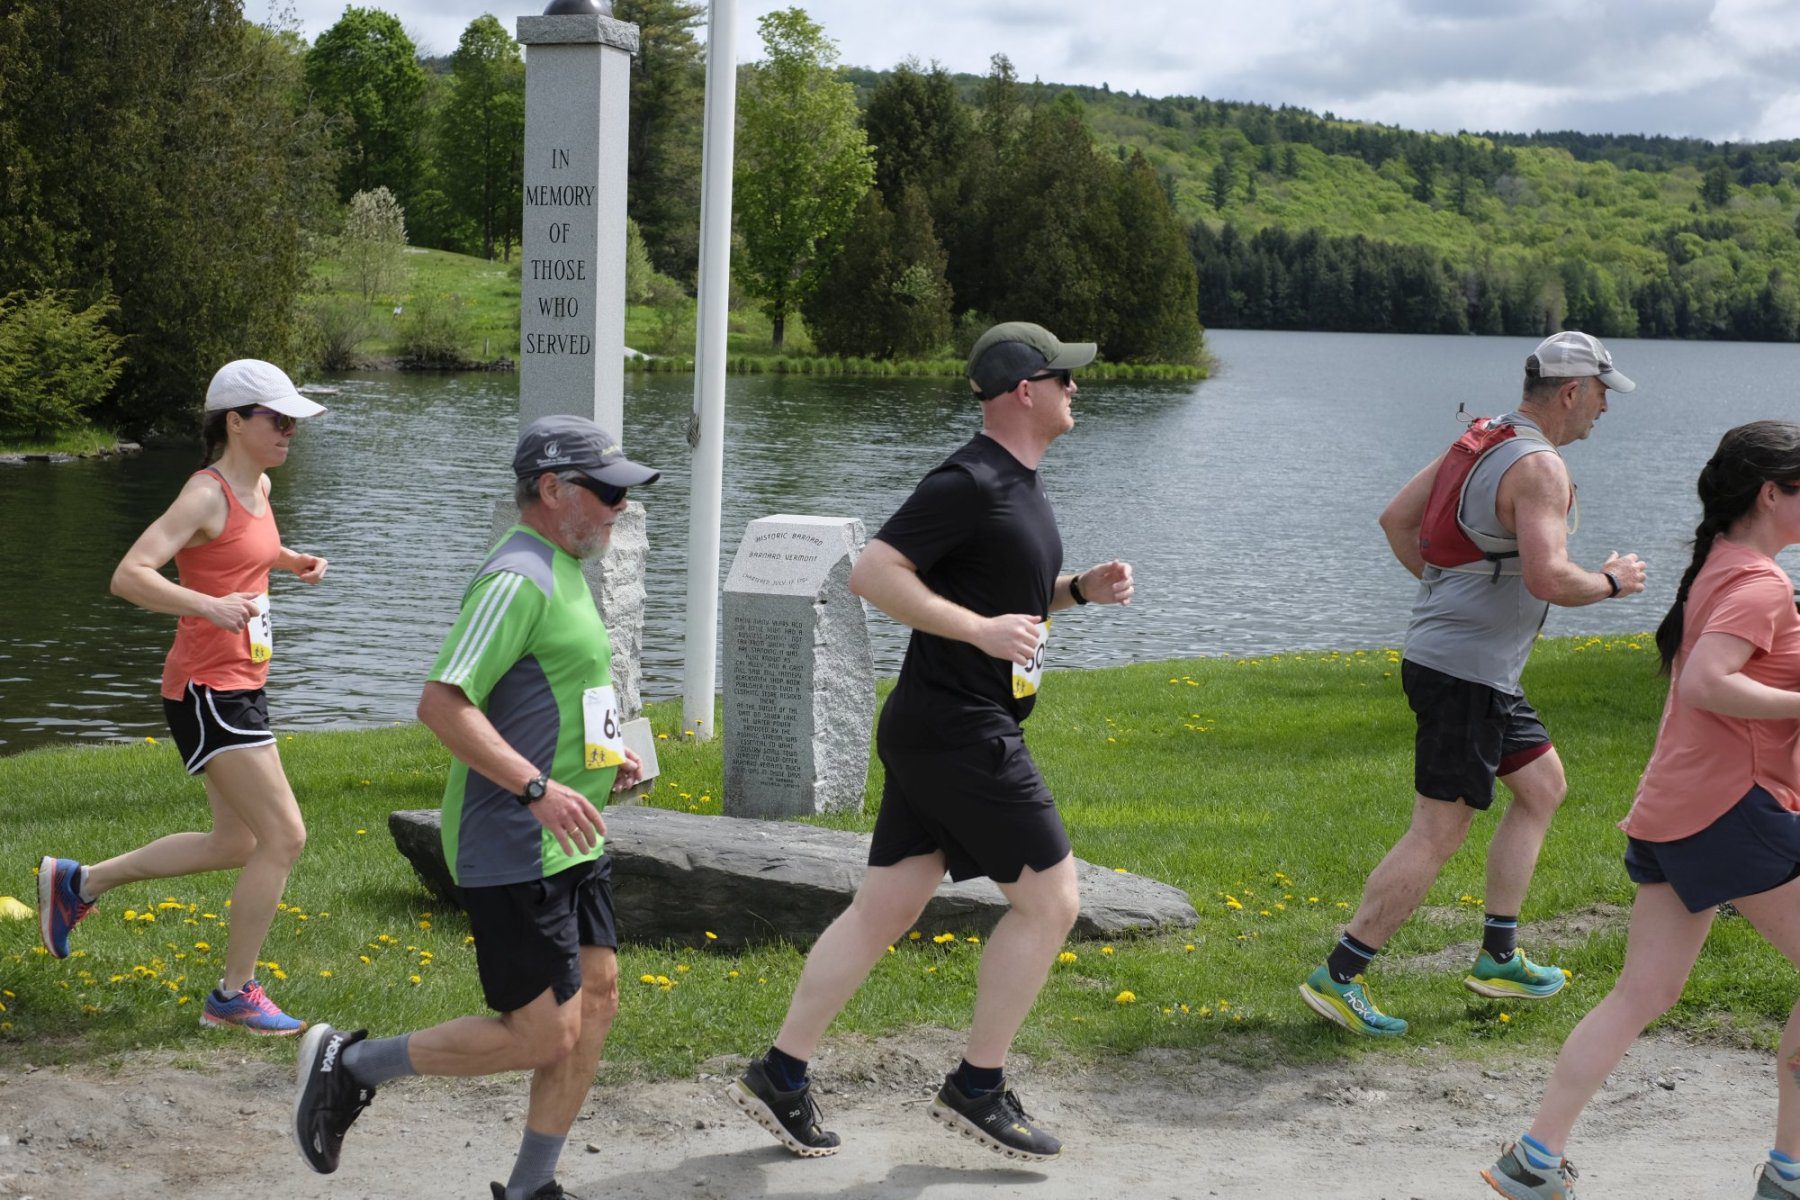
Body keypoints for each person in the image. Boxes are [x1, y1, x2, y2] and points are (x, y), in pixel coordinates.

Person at [727, 321, 1135, 1162]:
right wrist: (982, 633)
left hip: (935, 724)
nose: (1075, 388)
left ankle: (780, 1073)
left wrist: (1075, 592)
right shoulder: (970, 479)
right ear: (1025, 389)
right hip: (959, 729)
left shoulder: (1020, 482)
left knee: (886, 908)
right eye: (1064, 377)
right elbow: (875, 573)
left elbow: (999, 596)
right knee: (1052, 901)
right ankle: (976, 1087)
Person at [293, 415, 652, 1200]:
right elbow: (442, 703)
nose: (620, 509)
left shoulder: (564, 566)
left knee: (596, 1002)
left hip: (574, 840)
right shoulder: (517, 576)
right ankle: (349, 1066)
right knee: (541, 1034)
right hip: (514, 845)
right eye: (608, 494)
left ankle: (531, 1188)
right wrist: (535, 786)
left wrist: (603, 758)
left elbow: (555, 692)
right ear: (552, 490)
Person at [1481, 421, 1800, 1200]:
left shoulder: (1725, 567)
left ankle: (1533, 1160)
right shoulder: (1760, 583)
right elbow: (1706, 684)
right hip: (1730, 813)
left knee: (1642, 994)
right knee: (1642, 993)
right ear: (1771, 493)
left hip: (1676, 812)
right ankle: (1790, 1173)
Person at [1300, 331, 1649, 1037]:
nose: (1606, 410)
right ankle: (1340, 974)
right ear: (1573, 391)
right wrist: (1614, 582)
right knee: (1437, 830)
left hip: (1472, 667)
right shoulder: (1541, 467)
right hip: (1467, 675)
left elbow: (1396, 520)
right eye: (1603, 394)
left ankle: (1497, 956)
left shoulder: (1482, 438)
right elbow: (1549, 576)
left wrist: (1446, 599)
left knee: (1544, 786)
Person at [37, 359, 329, 1034]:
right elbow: (129, 575)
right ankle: (233, 994)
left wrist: (290, 562)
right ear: (235, 421)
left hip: (243, 683)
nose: (290, 432)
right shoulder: (205, 493)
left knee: (236, 842)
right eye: (277, 420)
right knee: (284, 836)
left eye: (293, 421)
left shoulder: (256, 484)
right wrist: (207, 605)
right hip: (207, 689)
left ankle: (79, 884)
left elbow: (248, 549)